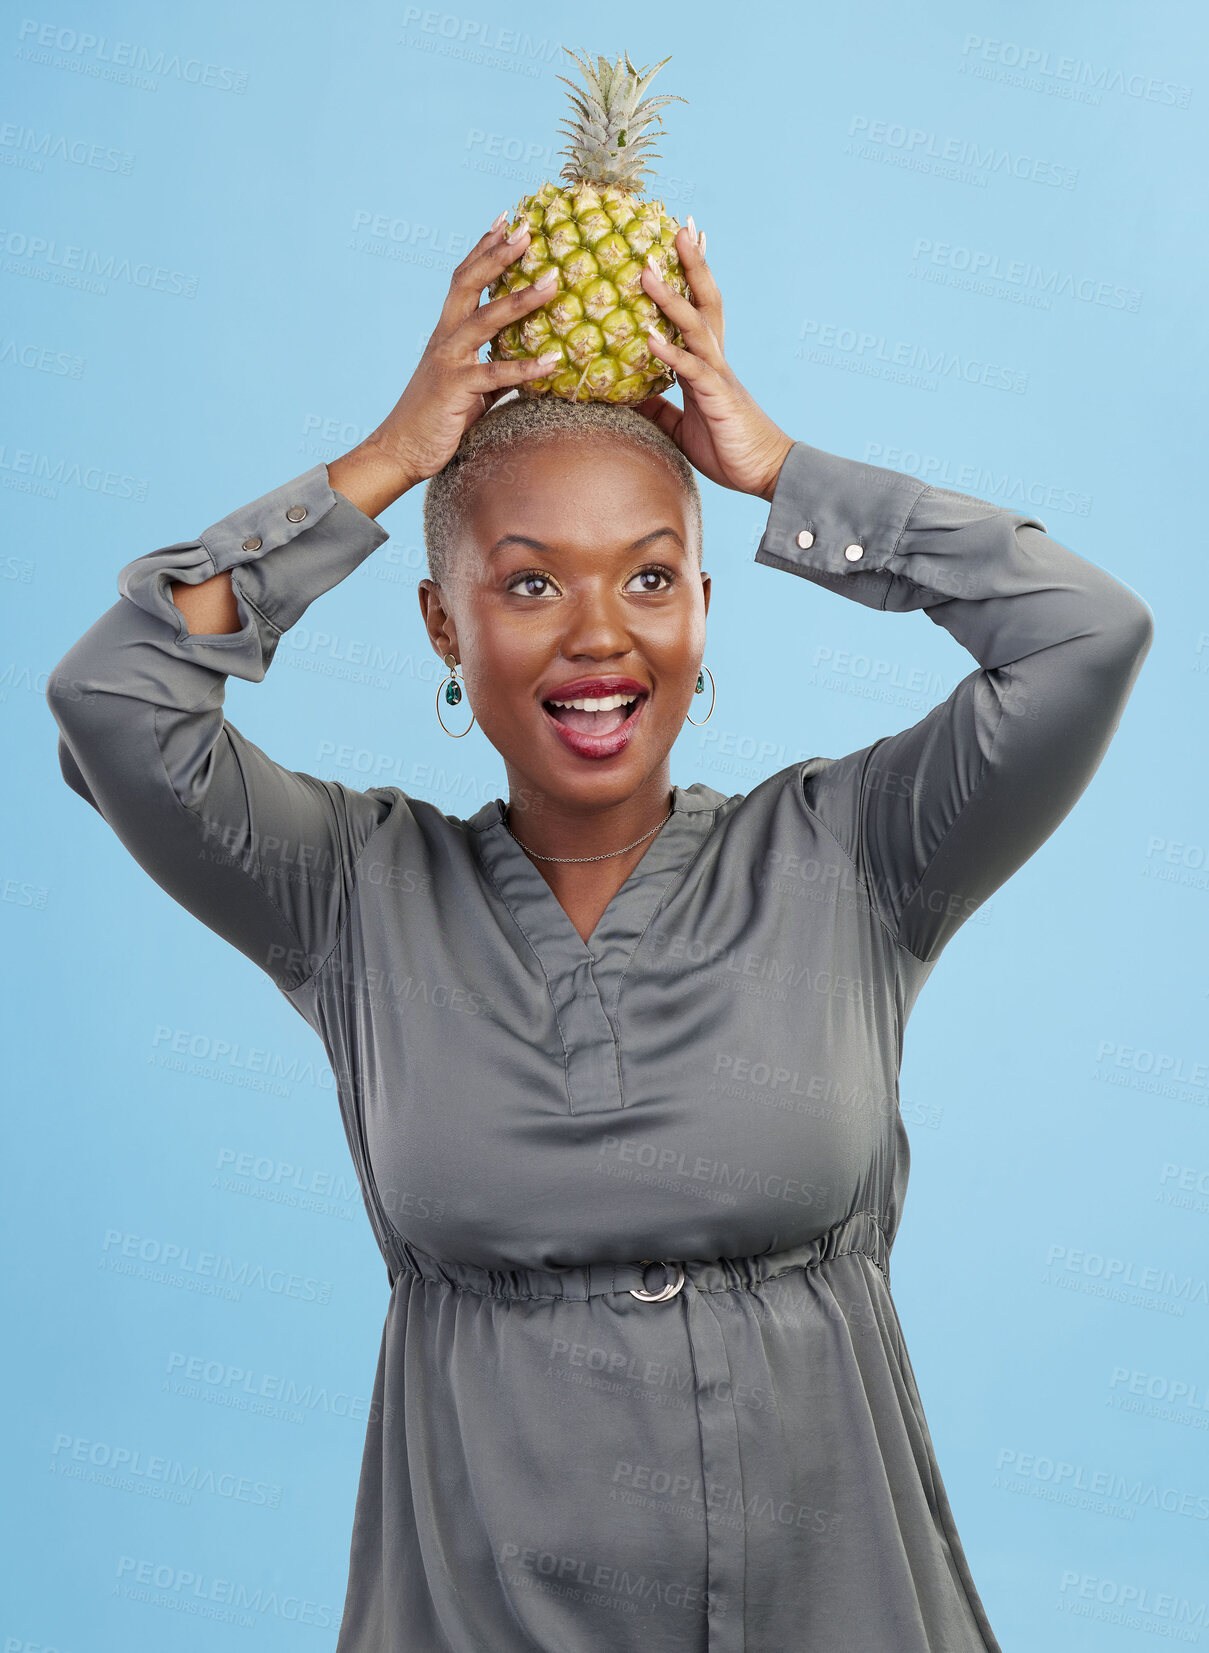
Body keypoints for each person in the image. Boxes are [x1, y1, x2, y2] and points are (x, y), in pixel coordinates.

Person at [45, 212, 1153, 1653]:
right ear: (444, 625)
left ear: (705, 602)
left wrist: (777, 472)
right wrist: (385, 461)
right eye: (525, 581)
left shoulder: (857, 852)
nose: (595, 634)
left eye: (647, 575)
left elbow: (1082, 633)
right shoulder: (348, 890)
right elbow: (116, 700)